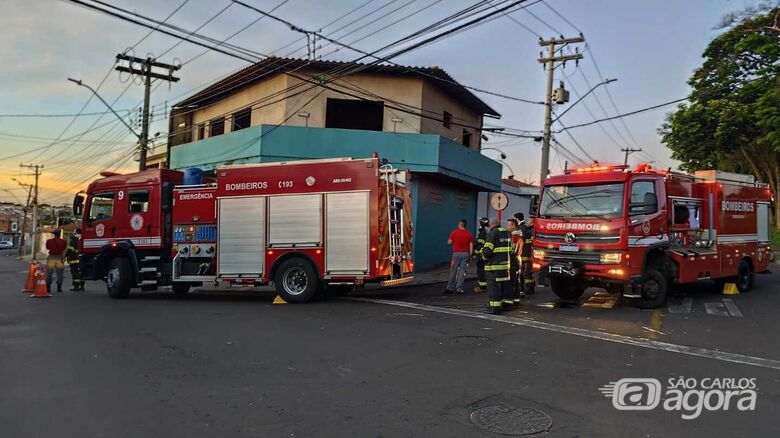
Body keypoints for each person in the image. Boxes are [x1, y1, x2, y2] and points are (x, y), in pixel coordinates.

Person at [481, 217, 511, 314]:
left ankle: (495, 308)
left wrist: (484, 258)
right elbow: (512, 248)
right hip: (505, 266)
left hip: (493, 267)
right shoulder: (507, 233)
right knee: (504, 288)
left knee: (493, 288)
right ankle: (504, 306)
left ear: (491, 224)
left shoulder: (492, 233)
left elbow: (487, 251)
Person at [444, 219, 474, 294]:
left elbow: (449, 242)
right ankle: (459, 289)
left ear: (459, 225)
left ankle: (450, 288)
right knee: (462, 272)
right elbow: (471, 245)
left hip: (456, 254)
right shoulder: (469, 234)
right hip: (466, 254)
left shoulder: (454, 233)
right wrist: (470, 255)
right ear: (465, 225)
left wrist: (454, 240)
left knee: (453, 271)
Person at [516, 213, 536, 295]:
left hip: (524, 253)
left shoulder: (522, 229)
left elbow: (521, 241)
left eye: (529, 220)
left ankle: (526, 288)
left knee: (524, 272)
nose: (528, 221)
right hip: (530, 253)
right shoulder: (530, 229)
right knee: (529, 271)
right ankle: (530, 287)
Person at [45, 229, 67, 293]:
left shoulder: (49, 241)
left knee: (49, 273)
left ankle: (48, 288)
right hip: (59, 258)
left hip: (51, 257)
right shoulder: (64, 241)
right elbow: (64, 248)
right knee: (60, 273)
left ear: (54, 234)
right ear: (60, 234)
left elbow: (47, 248)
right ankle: (59, 288)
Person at [506, 219, 522, 307]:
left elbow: (513, 250)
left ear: (513, 226)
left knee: (511, 280)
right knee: (515, 281)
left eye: (509, 225)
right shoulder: (519, 235)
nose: (507, 227)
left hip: (513, 259)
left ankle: (510, 300)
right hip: (518, 259)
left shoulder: (514, 236)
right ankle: (516, 299)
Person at [473, 217, 489, 293]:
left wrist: (475, 250)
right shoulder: (488, 230)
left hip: (481, 255)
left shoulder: (483, 232)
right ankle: (485, 285)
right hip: (485, 254)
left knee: (480, 270)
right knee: (484, 270)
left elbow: (480, 244)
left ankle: (482, 287)